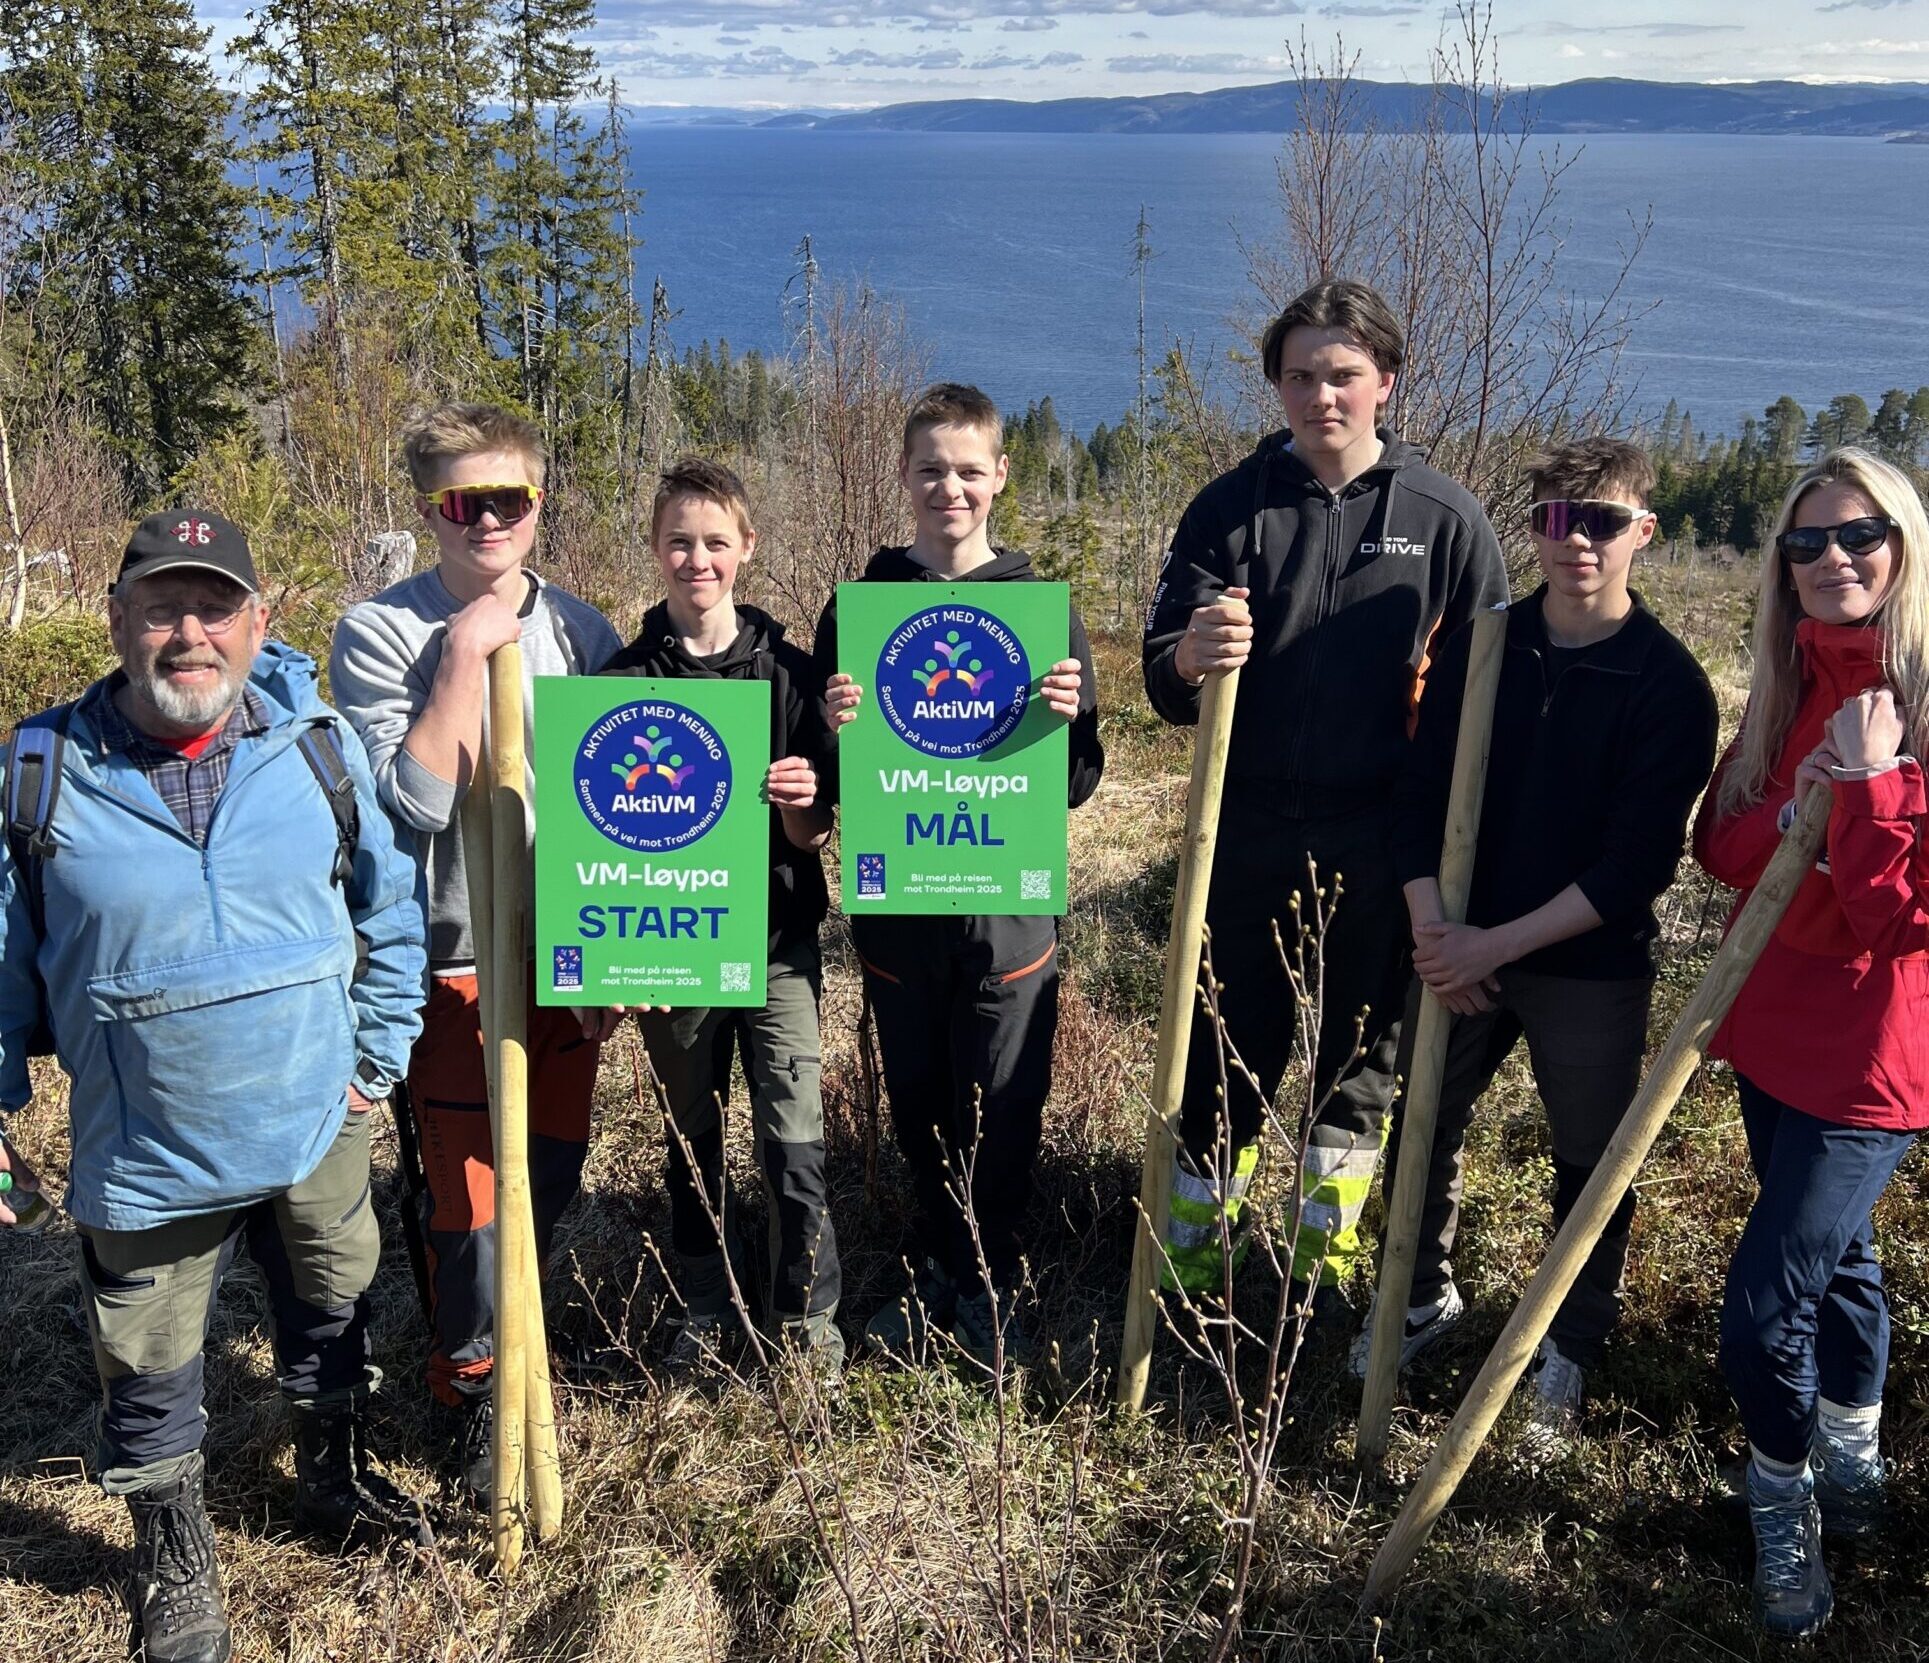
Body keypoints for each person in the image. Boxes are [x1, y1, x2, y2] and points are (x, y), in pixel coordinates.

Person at [0, 511, 429, 1663]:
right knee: (146, 1357)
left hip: (312, 1118)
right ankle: (173, 1553)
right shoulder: (40, 774)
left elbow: (387, 911)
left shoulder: (319, 748)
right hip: (143, 1146)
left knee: (333, 1298)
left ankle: (331, 1474)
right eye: (161, 606)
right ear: (117, 619)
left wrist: (377, 1059)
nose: (189, 634)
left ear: (259, 619)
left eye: (215, 606)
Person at [1140, 278, 1507, 1310]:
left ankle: (1319, 1283)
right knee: (1225, 1055)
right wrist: (1190, 661)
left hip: (1383, 843)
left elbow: (1488, 697)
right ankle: (1198, 1269)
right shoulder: (1229, 510)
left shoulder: (1445, 522)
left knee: (1358, 1065)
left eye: (1344, 374)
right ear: (1278, 386)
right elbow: (1161, 679)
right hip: (1243, 831)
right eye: (1300, 375)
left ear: (1385, 381)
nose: (1322, 396)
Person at [1358, 437, 1717, 1442]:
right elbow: (1416, 798)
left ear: (1643, 531)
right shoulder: (1483, 645)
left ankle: (1567, 1342)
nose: (1577, 542)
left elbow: (1632, 868)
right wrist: (1435, 928)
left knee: (1590, 1158)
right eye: (1557, 519)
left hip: (1582, 962)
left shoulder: (1668, 685)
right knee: (1424, 1119)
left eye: (1601, 520)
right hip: (1455, 938)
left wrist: (1493, 948)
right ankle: (1420, 1296)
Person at [329, 402, 621, 1498]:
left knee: (549, 1177)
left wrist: (611, 962)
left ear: (540, 504)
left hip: (563, 955)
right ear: (430, 509)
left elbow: (612, 814)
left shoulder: (584, 633)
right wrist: (460, 657)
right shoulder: (381, 633)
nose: (489, 518)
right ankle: (464, 1386)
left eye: (511, 498)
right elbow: (408, 801)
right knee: (465, 1202)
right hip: (445, 958)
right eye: (465, 501)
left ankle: (525, 1357)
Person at [815, 382, 1104, 1367]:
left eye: (969, 470)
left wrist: (1066, 717)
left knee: (1005, 1105)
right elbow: (833, 781)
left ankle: (994, 1278)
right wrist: (837, 723)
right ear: (904, 475)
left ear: (1000, 477)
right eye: (931, 469)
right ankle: (935, 1265)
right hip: (903, 917)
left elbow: (1070, 786)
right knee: (921, 1103)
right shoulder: (862, 609)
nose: (951, 488)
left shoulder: (1038, 613)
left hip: (1008, 919)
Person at [1694, 447, 1929, 1640]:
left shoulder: (1922, 697)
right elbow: (1719, 845)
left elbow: (1904, 919)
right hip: (1771, 1022)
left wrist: (1878, 785)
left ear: (1903, 544)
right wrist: (1795, 816)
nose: (1832, 559)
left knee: (1761, 1303)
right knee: (1840, 1264)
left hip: (1875, 1058)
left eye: (1857, 536)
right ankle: (1850, 1452)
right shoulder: (1788, 682)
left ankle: (1780, 1494)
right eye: (1804, 543)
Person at [598, 459, 845, 1374]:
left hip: (778, 947)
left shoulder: (793, 674)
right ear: (655, 550)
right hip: (674, 956)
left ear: (747, 548)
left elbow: (819, 830)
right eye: (677, 542)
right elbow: (608, 837)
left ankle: (805, 1325)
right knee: (690, 1138)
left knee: (795, 1142)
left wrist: (797, 804)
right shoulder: (620, 680)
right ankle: (703, 1307)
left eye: (713, 541)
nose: (695, 559)